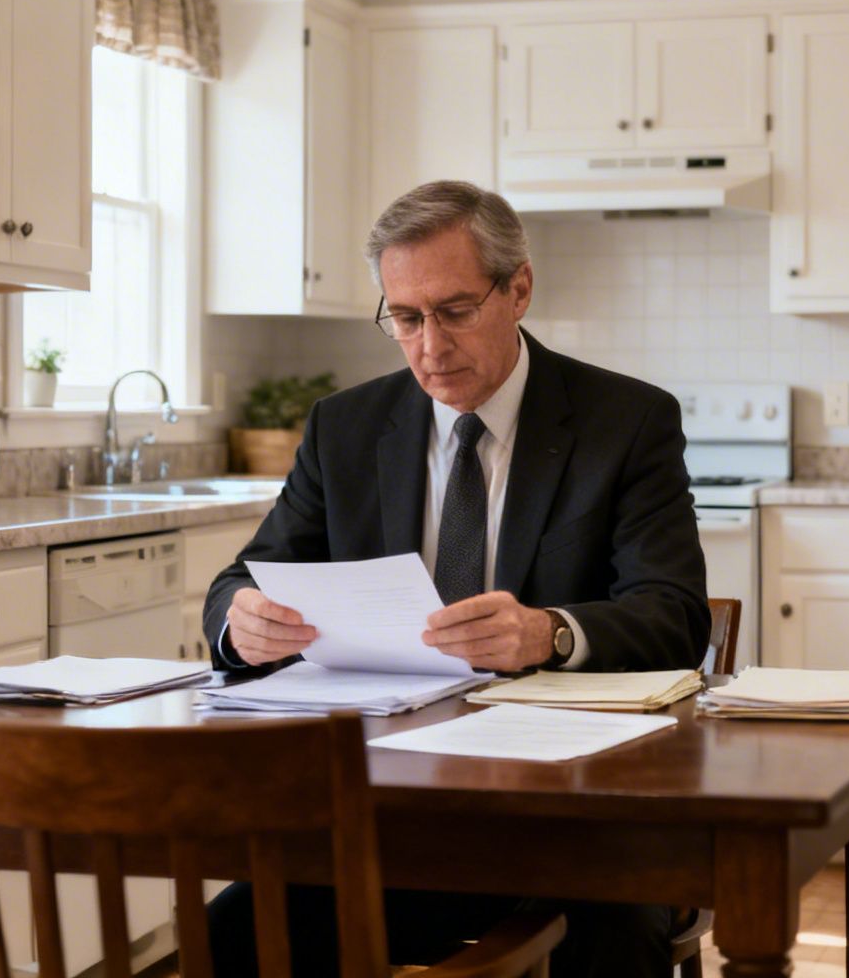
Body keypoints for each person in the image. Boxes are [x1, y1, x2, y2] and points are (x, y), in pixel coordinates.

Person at [202, 179, 707, 978]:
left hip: (582, 812)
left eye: (455, 310)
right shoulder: (345, 427)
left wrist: (548, 632)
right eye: (405, 318)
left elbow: (674, 615)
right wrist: (242, 619)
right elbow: (242, 577)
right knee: (238, 928)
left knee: (613, 939)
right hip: (392, 809)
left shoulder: (628, 421)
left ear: (519, 291)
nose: (429, 346)